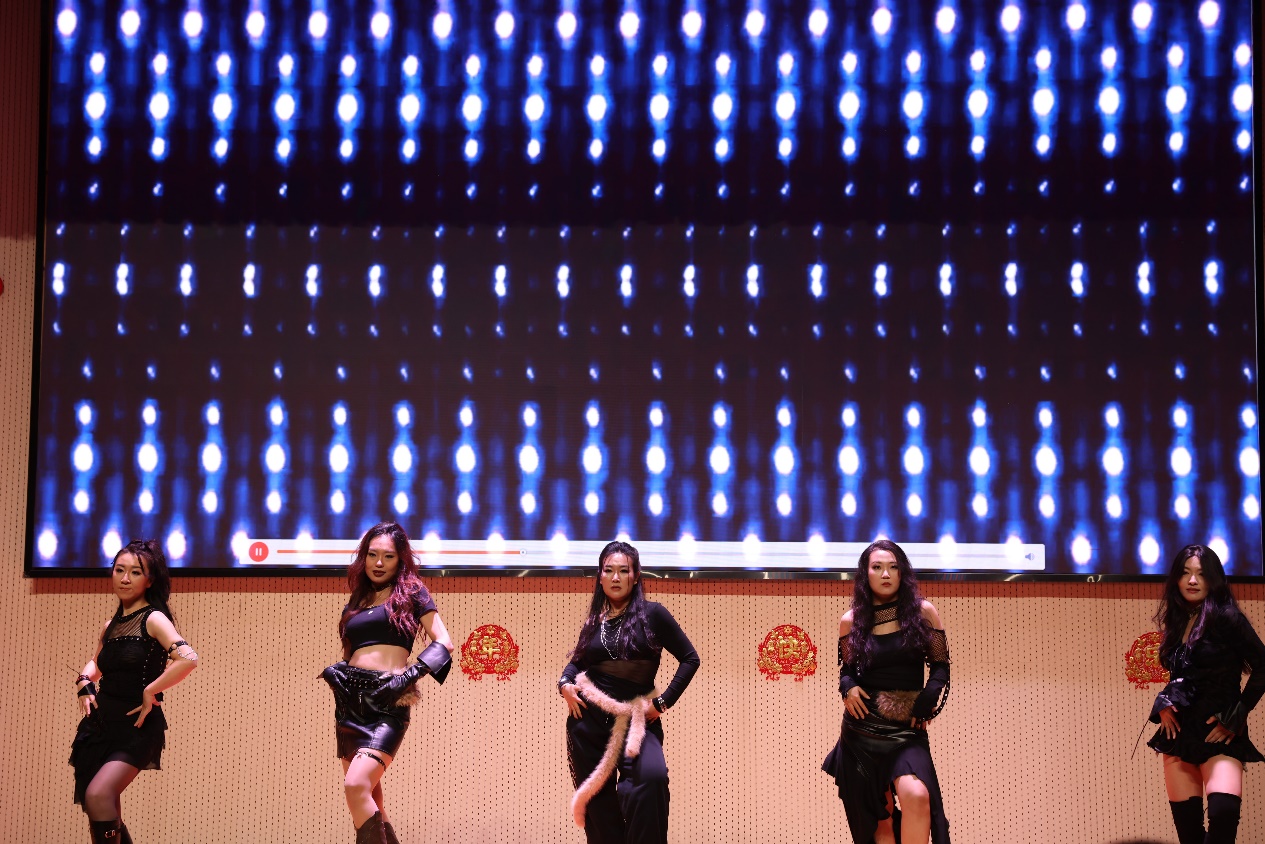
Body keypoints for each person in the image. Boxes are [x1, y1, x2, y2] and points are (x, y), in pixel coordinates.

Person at [557, 540, 700, 844]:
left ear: (636, 577)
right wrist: (564, 684)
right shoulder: (596, 620)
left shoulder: (654, 614)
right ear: (600, 576)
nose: (616, 577)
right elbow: (577, 662)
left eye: (624, 570)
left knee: (651, 781)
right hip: (588, 723)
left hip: (637, 722)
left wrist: (662, 703)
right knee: (599, 808)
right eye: (608, 570)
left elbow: (690, 659)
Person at [320, 522, 454, 844]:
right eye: (372, 555)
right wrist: (339, 670)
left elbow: (445, 643)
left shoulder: (412, 592)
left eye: (388, 556)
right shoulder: (357, 600)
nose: (378, 563)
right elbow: (354, 651)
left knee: (356, 786)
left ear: (400, 560)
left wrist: (407, 677)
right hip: (349, 705)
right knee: (372, 802)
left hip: (387, 702)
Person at [822, 539, 951, 844]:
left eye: (893, 567)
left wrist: (927, 699)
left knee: (917, 795)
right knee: (881, 819)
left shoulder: (923, 612)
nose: (885, 574)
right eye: (877, 567)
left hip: (906, 727)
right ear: (865, 574)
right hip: (861, 728)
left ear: (902, 572)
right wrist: (848, 687)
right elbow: (847, 670)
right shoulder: (851, 621)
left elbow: (940, 667)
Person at [70, 539, 199, 843]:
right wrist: (83, 681)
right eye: (119, 570)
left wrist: (150, 690)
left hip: (137, 727)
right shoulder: (110, 626)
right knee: (100, 803)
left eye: (135, 572)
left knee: (99, 794)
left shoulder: (153, 619)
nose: (125, 578)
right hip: (101, 725)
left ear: (149, 580)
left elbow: (188, 658)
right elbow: (97, 662)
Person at [1147, 544, 1265, 844]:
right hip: (1179, 736)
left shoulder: (1228, 617)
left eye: (1201, 574)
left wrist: (1237, 714)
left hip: (1218, 733)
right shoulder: (1177, 620)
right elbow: (1182, 677)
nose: (1192, 581)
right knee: (1189, 835)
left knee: (1223, 819)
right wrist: (1164, 703)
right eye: (1185, 573)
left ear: (1214, 579)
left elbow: (1263, 666)